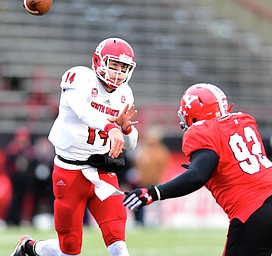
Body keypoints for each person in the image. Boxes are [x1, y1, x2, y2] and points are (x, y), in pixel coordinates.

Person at [124, 83, 272, 256]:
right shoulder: (244, 121)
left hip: (254, 213)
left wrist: (154, 192)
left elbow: (198, 175)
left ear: (194, 114)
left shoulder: (202, 131)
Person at [12, 37, 139, 256]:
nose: (118, 72)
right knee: (68, 250)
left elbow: (131, 143)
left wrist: (126, 129)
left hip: (102, 171)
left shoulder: (125, 94)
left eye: (123, 67)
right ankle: (31, 247)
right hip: (69, 171)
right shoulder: (79, 78)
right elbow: (83, 112)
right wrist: (111, 127)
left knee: (118, 243)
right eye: (113, 65)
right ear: (98, 61)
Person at [129, 127, 171, 226]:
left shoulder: (161, 151)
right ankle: (139, 220)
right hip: (143, 181)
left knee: (156, 202)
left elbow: (162, 166)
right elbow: (136, 163)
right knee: (141, 201)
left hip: (154, 181)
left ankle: (157, 221)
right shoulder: (142, 149)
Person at [5, 127, 37, 226]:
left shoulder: (30, 152)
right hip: (15, 181)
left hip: (27, 182)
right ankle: (12, 220)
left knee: (28, 200)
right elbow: (8, 167)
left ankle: (27, 219)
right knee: (14, 200)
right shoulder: (12, 151)